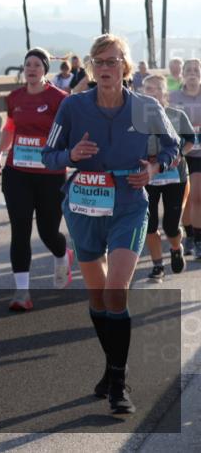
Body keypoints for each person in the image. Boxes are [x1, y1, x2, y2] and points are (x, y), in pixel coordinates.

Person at [43, 34, 179, 415]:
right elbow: (48, 155)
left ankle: (119, 383)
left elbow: (172, 148)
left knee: (117, 289)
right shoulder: (73, 108)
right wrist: (70, 154)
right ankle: (111, 365)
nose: (105, 68)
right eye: (98, 61)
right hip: (85, 206)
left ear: (126, 67)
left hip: (128, 204)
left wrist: (153, 167)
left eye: (112, 61)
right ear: (90, 67)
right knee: (99, 296)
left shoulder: (145, 107)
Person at [0, 48, 73, 311]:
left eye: (37, 64)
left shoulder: (60, 99)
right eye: (28, 64)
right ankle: (21, 292)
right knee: (20, 230)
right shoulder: (15, 97)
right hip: (17, 172)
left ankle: (62, 254)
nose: (32, 68)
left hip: (50, 174)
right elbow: (11, 127)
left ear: (45, 69)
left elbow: (67, 132)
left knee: (48, 232)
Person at [141, 74, 196, 281]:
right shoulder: (137, 117)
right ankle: (157, 266)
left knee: (171, 226)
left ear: (164, 93)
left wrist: (180, 154)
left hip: (176, 176)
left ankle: (175, 247)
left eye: (155, 88)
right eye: (147, 88)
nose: (151, 91)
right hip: (148, 176)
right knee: (150, 223)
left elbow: (190, 140)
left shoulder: (176, 115)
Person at [170, 58, 201, 257]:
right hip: (181, 152)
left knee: (197, 196)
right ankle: (189, 235)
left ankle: (198, 240)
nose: (192, 72)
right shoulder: (174, 96)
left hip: (199, 153)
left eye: (196, 69)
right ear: (183, 74)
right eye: (188, 69)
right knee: (186, 199)